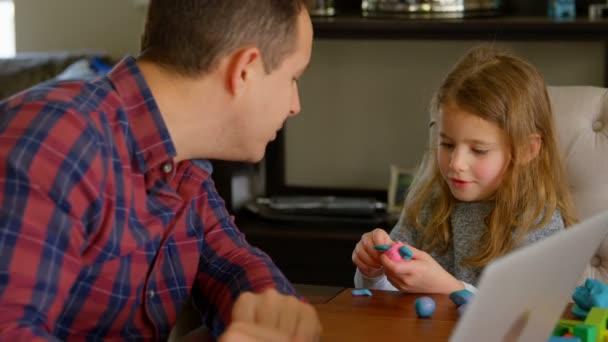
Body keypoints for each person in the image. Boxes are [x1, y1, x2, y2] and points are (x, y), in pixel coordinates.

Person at [0, 0, 321, 341]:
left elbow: (232, 262)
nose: (294, 106)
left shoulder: (182, 163)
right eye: (293, 78)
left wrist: (277, 314)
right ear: (245, 70)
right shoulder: (54, 139)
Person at [352, 45, 578, 294]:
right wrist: (374, 272)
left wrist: (449, 289)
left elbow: (522, 315)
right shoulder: (428, 202)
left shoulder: (536, 220)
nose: (456, 163)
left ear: (527, 149)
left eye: (479, 150)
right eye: (447, 144)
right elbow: (386, 296)